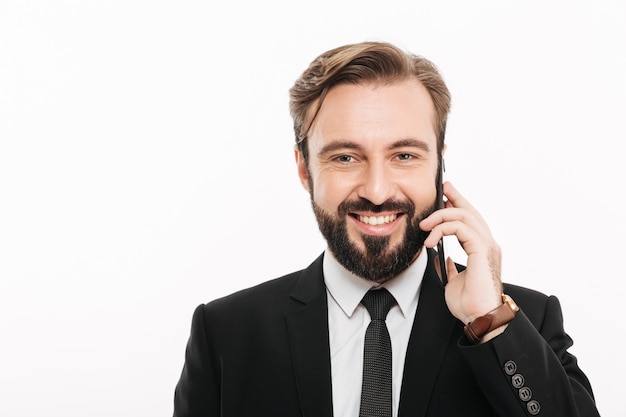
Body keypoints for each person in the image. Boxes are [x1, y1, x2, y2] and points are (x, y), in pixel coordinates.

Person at [173, 41, 600, 417]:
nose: (377, 191)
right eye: (345, 157)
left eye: (405, 156)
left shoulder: (521, 322)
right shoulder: (226, 333)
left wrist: (488, 322)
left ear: (440, 163)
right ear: (304, 168)